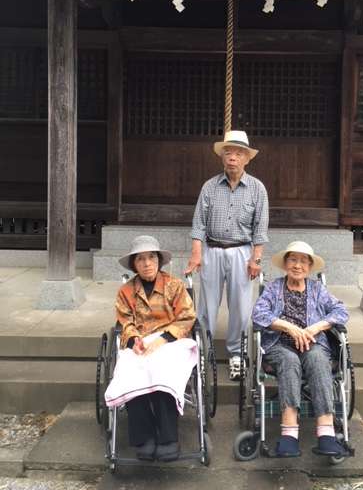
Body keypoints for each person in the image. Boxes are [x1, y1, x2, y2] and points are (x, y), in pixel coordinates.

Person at [251, 240, 349, 458]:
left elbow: (341, 311)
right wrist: (289, 327)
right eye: (293, 260)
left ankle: (326, 433)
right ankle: (289, 434)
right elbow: (258, 314)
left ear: (310, 266)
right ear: (285, 263)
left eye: (303, 261)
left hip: (313, 344)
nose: (297, 265)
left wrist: (316, 327)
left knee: (318, 360)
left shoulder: (317, 289)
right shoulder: (274, 288)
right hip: (279, 344)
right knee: (289, 361)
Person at [185, 130, 269, 381]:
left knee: (241, 307)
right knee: (206, 306)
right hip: (212, 250)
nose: (233, 157)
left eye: (239, 153)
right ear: (222, 157)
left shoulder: (257, 189)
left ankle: (237, 354)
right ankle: (203, 351)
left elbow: (260, 227)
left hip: (242, 251)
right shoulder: (209, 186)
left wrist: (256, 259)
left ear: (247, 159)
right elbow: (199, 223)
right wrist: (196, 254)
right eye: (228, 153)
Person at [105, 235, 196, 461]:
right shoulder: (126, 291)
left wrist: (163, 338)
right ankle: (143, 437)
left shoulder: (174, 285)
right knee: (130, 371)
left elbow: (187, 317)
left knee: (163, 370)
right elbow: (125, 321)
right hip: (141, 342)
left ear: (159, 260)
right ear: (134, 264)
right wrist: (133, 340)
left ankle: (168, 438)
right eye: (141, 259)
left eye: (151, 257)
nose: (147, 263)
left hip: (172, 341)